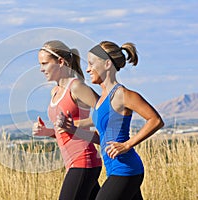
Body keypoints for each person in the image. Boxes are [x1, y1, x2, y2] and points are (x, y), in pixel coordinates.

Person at [56, 41, 164, 200]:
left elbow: (155, 120)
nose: (87, 69)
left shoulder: (122, 94)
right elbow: (103, 139)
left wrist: (127, 144)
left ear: (107, 64)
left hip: (126, 170)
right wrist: (74, 130)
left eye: (92, 64)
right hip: (114, 169)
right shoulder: (100, 102)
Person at [32, 40, 102, 200]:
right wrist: (47, 132)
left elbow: (106, 113)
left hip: (84, 160)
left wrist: (80, 126)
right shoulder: (55, 91)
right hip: (73, 163)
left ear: (61, 62)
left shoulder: (76, 87)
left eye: (44, 63)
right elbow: (66, 132)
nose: (41, 69)